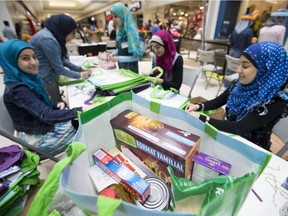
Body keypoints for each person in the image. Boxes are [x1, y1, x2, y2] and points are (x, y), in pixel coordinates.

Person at [185, 41, 288, 151]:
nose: (238, 70)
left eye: (245, 66)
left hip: (251, 151)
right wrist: (198, 106)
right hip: (229, 138)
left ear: (265, 70)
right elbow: (217, 102)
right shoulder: (238, 85)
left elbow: (239, 127)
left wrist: (201, 118)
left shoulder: (275, 101)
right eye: (240, 64)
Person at [0, 40, 94, 154]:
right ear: (11, 62)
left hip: (38, 126)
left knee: (79, 122)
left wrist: (54, 104)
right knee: (88, 131)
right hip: (37, 138)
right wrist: (79, 110)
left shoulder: (26, 80)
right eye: (25, 58)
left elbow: (36, 105)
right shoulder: (18, 90)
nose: (34, 62)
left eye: (34, 57)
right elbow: (46, 115)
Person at [29, 14, 92, 102]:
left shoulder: (51, 35)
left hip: (48, 77)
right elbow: (59, 68)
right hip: (46, 79)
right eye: (73, 33)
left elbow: (61, 60)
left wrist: (79, 69)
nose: (74, 36)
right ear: (64, 29)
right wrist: (80, 75)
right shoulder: (48, 40)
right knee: (56, 105)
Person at [107, 2, 142, 73]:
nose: (114, 20)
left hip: (131, 71)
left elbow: (137, 57)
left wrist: (118, 58)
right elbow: (123, 48)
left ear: (123, 16)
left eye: (116, 16)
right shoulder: (120, 32)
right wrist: (113, 54)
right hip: (122, 69)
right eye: (113, 17)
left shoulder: (131, 32)